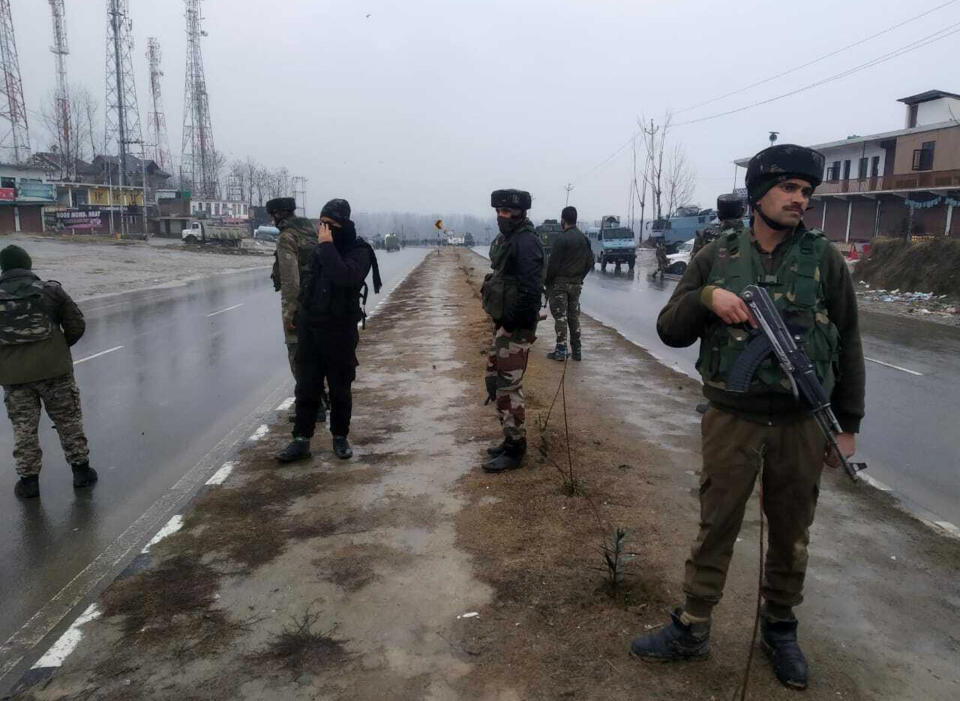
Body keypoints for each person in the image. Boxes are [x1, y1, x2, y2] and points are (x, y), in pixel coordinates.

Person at [630, 145, 865, 691]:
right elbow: (670, 328)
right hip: (732, 418)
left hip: (801, 423)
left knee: (791, 531)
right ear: (759, 194)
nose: (799, 200)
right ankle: (692, 625)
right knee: (716, 523)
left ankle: (780, 629)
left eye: (806, 192)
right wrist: (708, 296)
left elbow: (849, 341)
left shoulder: (823, 258)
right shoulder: (716, 255)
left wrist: (846, 427)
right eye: (788, 188)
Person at [277, 199, 381, 463]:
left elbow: (345, 276)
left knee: (340, 388)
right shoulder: (320, 250)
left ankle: (340, 437)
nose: (324, 229)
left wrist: (326, 246)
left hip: (339, 331)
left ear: (343, 225)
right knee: (306, 387)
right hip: (311, 328)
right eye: (322, 223)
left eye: (330, 225)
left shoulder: (359, 251)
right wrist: (298, 315)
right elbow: (309, 283)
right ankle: (301, 440)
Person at [0, 245, 97, 499]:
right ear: (28, 265)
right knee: (68, 421)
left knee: (24, 429)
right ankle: (81, 473)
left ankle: (29, 482)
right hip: (56, 371)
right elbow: (76, 324)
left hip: (15, 377)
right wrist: (59, 348)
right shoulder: (51, 292)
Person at [481, 189, 544, 473]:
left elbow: (531, 293)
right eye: (498, 212)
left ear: (520, 214)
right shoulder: (510, 239)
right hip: (505, 324)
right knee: (496, 382)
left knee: (509, 387)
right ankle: (509, 440)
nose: (501, 217)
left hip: (515, 328)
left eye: (506, 212)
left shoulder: (527, 242)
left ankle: (516, 449)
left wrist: (509, 323)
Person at [267, 196, 328, 422]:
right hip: (322, 302)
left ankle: (313, 405)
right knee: (317, 354)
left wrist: (290, 313)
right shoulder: (312, 230)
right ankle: (321, 398)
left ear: (277, 214)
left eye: (272, 216)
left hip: (301, 304)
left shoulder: (287, 237)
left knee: (298, 355)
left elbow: (290, 280)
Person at [544, 206, 594, 361]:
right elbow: (590, 262)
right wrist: (580, 277)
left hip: (560, 284)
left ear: (563, 220)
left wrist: (548, 282)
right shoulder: (584, 239)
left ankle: (560, 351)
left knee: (561, 317)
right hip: (576, 284)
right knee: (573, 316)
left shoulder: (562, 238)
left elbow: (553, 264)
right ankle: (577, 351)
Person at [692, 193, 746, 258]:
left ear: (718, 214)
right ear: (742, 212)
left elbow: (694, 265)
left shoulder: (704, 236)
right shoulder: (752, 237)